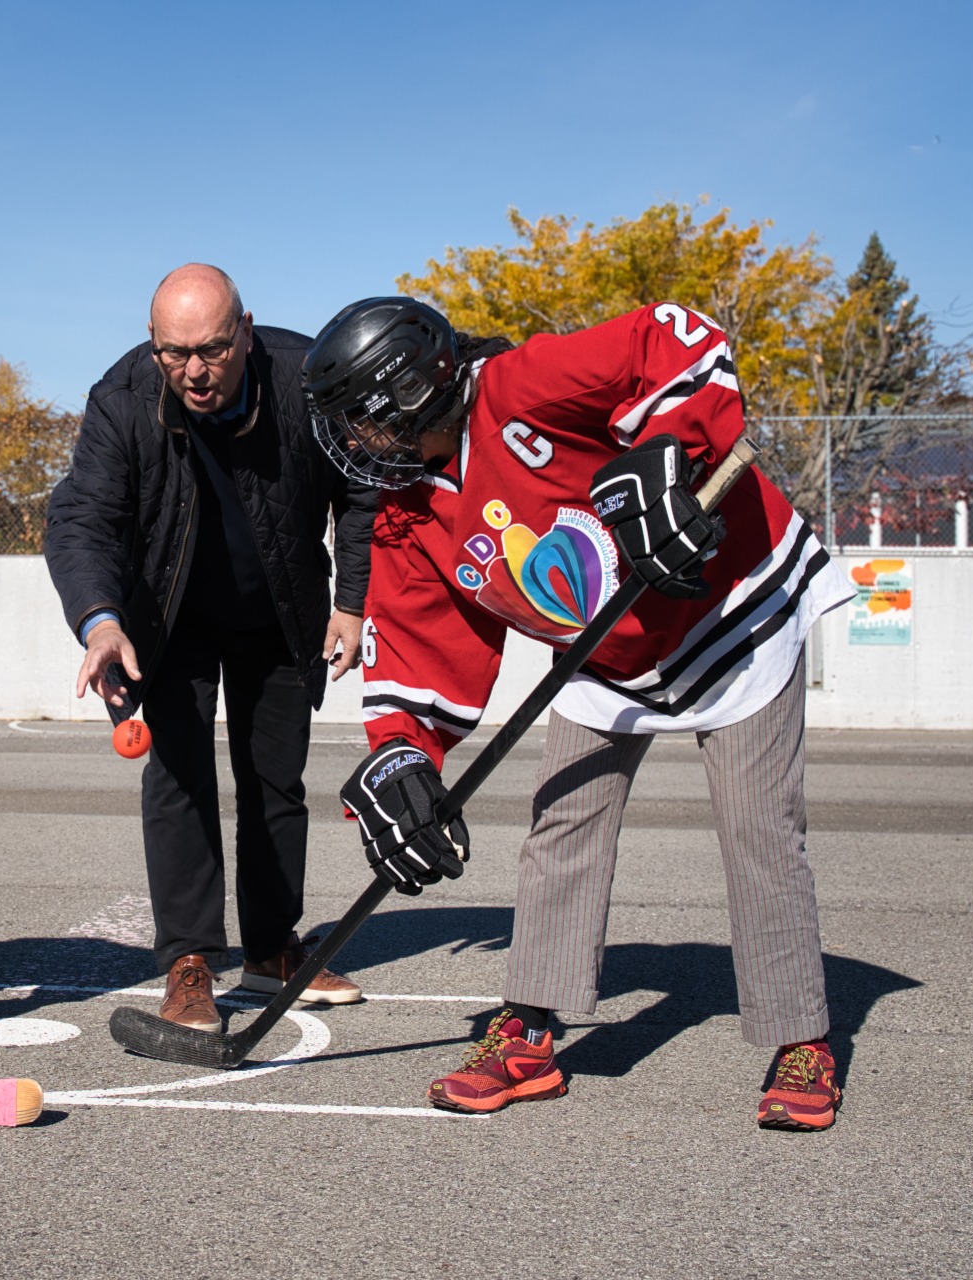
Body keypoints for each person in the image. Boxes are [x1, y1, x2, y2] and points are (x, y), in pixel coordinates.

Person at [307, 297, 853, 1131]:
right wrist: (403, 754)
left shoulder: (519, 386)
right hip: (606, 647)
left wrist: (670, 448)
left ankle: (800, 1038)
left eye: (365, 425)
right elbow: (422, 644)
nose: (357, 446)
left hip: (735, 607)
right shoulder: (407, 514)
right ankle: (528, 1024)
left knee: (759, 829)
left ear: (413, 395)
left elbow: (669, 337)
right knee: (561, 823)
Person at [45, 264, 378, 1031]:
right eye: (173, 352)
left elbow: (360, 493)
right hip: (165, 617)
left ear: (247, 329)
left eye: (213, 349)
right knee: (179, 781)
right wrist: (100, 620)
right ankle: (189, 962)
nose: (193, 371)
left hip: (279, 610)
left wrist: (352, 603)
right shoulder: (122, 398)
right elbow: (82, 519)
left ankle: (271, 950)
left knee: (275, 782)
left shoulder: (306, 379)